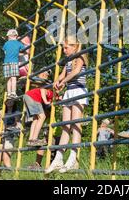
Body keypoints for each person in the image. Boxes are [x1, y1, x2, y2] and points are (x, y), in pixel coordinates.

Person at [45, 36, 89, 174]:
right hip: (69, 92)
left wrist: (63, 81)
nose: (64, 50)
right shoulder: (68, 61)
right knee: (65, 126)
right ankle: (58, 158)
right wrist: (56, 82)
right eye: (63, 47)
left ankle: (73, 157)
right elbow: (61, 74)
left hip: (79, 91)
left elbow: (76, 72)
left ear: (75, 47)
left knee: (76, 124)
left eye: (66, 47)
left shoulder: (81, 56)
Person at [24, 70, 59, 147]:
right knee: (42, 117)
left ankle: (31, 139)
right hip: (34, 97)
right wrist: (46, 101)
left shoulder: (55, 95)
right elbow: (43, 90)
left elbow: (58, 99)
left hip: (28, 96)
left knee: (36, 119)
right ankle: (34, 139)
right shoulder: (50, 91)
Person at [0, 99, 21, 169]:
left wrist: (4, 128)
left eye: (11, 100)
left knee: (6, 160)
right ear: (5, 102)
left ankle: (14, 176)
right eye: (7, 100)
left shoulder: (17, 112)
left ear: (14, 101)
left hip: (9, 136)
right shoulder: (1, 111)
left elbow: (15, 123)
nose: (9, 102)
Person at [3, 29, 27, 99]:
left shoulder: (6, 43)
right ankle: (13, 92)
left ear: (9, 36)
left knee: (8, 79)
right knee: (13, 78)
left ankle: (9, 93)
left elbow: (5, 52)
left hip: (6, 62)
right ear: (16, 36)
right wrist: (23, 54)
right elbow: (24, 50)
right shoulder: (18, 43)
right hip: (14, 62)